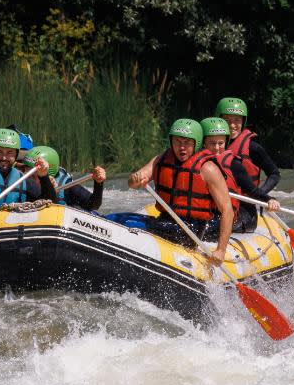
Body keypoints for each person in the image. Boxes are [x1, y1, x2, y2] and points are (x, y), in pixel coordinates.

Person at [130, 118, 236, 265]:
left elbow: (227, 210)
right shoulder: (160, 160)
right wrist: (135, 179)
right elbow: (133, 183)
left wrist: (221, 250)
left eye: (187, 143)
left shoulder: (208, 169)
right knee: (121, 219)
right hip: (165, 221)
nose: (182, 148)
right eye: (177, 142)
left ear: (196, 143)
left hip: (190, 231)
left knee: (132, 226)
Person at [213, 97, 281, 229]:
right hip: (217, 205)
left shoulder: (252, 148)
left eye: (237, 120)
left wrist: (260, 195)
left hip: (244, 209)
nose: (232, 125)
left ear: (243, 122)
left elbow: (274, 174)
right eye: (227, 120)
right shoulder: (210, 145)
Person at [28, 145, 107, 211]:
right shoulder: (25, 184)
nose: (29, 180)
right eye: (25, 171)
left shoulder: (68, 187)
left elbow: (93, 205)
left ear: (48, 175)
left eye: (33, 176)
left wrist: (98, 183)